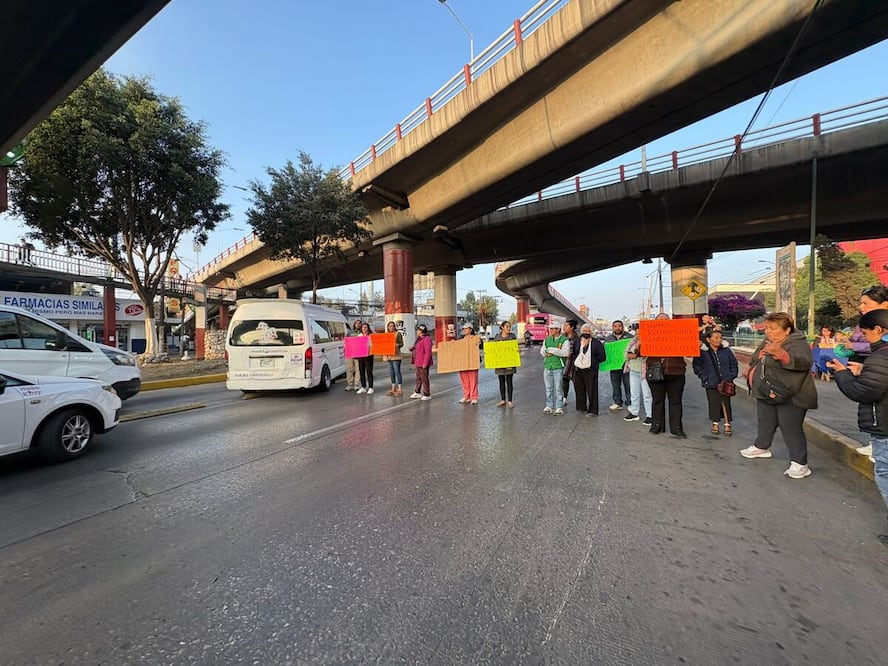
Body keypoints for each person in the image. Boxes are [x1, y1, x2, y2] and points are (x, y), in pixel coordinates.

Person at [827, 309, 888, 546]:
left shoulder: (881, 357)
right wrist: (863, 372)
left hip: (884, 424)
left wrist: (843, 375)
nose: (864, 339)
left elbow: (862, 392)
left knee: (885, 474)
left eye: (865, 333)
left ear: (878, 330)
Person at [741, 312, 818, 478]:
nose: (768, 331)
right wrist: (751, 367)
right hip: (766, 390)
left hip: (791, 393)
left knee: (790, 427)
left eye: (773, 328)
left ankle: (800, 463)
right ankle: (761, 446)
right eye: (767, 327)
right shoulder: (768, 341)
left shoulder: (797, 343)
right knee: (765, 420)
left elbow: (804, 362)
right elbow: (757, 357)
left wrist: (782, 355)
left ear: (787, 330)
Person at [838, 286, 888, 457]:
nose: (861, 307)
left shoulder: (881, 344)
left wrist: (842, 374)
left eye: (866, 303)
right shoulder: (867, 324)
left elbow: (863, 392)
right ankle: (876, 442)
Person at [645, 312, 687, 437]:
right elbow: (640, 352)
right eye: (660, 319)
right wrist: (639, 346)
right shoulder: (649, 336)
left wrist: (697, 344)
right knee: (657, 400)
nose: (663, 320)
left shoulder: (679, 335)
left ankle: (676, 427)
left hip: (676, 373)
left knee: (676, 402)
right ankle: (657, 425)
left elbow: (689, 352)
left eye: (666, 319)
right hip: (656, 372)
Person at [692, 329, 739, 436]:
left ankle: (727, 423)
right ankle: (715, 422)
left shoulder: (726, 351)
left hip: (726, 381)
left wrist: (731, 375)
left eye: (720, 338)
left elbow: (734, 363)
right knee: (713, 402)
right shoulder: (703, 352)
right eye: (716, 338)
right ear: (709, 339)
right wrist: (705, 377)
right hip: (711, 381)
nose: (719, 340)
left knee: (726, 402)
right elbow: (697, 366)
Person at [572, 323, 606, 416]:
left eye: (588, 331)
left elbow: (602, 357)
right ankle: (581, 408)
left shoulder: (596, 343)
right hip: (578, 370)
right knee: (579, 389)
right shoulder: (577, 341)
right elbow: (574, 353)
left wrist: (593, 362)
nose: (586, 333)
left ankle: (593, 411)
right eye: (584, 331)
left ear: (591, 332)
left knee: (592, 390)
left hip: (591, 370)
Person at [540, 321, 569, 415]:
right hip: (548, 366)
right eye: (550, 328)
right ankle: (549, 405)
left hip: (558, 366)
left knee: (558, 388)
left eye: (553, 329)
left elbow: (565, 353)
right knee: (548, 387)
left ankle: (559, 406)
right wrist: (545, 352)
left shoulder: (564, 340)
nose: (551, 330)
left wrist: (552, 350)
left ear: (558, 329)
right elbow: (542, 350)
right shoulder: (547, 339)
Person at [605, 320, 633, 411]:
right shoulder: (608, 338)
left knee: (628, 385)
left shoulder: (629, 337)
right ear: (613, 328)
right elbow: (605, 352)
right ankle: (617, 402)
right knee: (615, 385)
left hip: (627, 366)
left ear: (622, 327)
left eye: (619, 326)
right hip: (614, 366)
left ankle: (630, 402)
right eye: (615, 326)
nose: (617, 328)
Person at [625, 336, 652, 424]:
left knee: (647, 394)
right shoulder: (632, 341)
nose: (638, 333)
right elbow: (626, 354)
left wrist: (636, 353)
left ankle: (650, 415)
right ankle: (634, 413)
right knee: (634, 393)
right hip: (633, 370)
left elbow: (644, 354)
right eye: (637, 331)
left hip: (645, 371)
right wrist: (631, 355)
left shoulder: (649, 341)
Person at [493, 320, 517, 408]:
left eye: (509, 327)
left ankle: (510, 401)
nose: (509, 328)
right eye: (507, 327)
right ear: (502, 327)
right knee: (501, 381)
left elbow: (515, 347)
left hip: (510, 362)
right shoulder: (497, 337)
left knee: (509, 381)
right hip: (500, 363)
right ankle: (503, 399)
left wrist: (518, 350)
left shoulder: (512, 336)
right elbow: (494, 349)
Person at [457, 323, 480, 405]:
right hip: (462, 362)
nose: (464, 330)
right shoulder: (460, 338)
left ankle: (474, 397)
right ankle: (466, 395)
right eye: (464, 329)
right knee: (464, 379)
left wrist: (479, 343)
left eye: (466, 328)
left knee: (473, 379)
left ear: (471, 329)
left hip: (472, 362)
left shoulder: (476, 338)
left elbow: (481, 347)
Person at [409, 324, 433, 400]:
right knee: (418, 378)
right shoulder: (419, 338)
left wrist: (425, 363)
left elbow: (428, 352)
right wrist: (412, 348)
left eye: (418, 330)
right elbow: (417, 347)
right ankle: (417, 392)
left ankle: (427, 394)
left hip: (423, 362)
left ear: (421, 331)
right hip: (418, 361)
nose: (417, 331)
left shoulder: (427, 339)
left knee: (424, 378)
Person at [383, 320, 404, 396]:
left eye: (393, 326)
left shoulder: (398, 334)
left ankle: (400, 389)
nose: (391, 327)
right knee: (391, 372)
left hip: (396, 355)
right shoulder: (386, 334)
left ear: (395, 327)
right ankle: (393, 388)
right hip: (388, 356)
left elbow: (402, 344)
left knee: (397, 372)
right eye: (390, 326)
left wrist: (397, 345)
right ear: (388, 327)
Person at [356, 322, 375, 394]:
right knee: (361, 371)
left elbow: (373, 345)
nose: (364, 329)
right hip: (361, 356)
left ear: (368, 328)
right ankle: (363, 387)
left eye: (365, 327)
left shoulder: (371, 335)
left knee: (369, 371)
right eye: (363, 327)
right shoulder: (359, 335)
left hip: (369, 355)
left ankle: (371, 387)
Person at [344, 319, 363, 391]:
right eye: (356, 323)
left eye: (359, 323)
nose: (358, 324)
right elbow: (346, 342)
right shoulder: (349, 332)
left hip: (359, 353)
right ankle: (349, 384)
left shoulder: (362, 332)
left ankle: (356, 384)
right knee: (349, 369)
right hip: (350, 353)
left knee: (358, 369)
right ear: (354, 324)